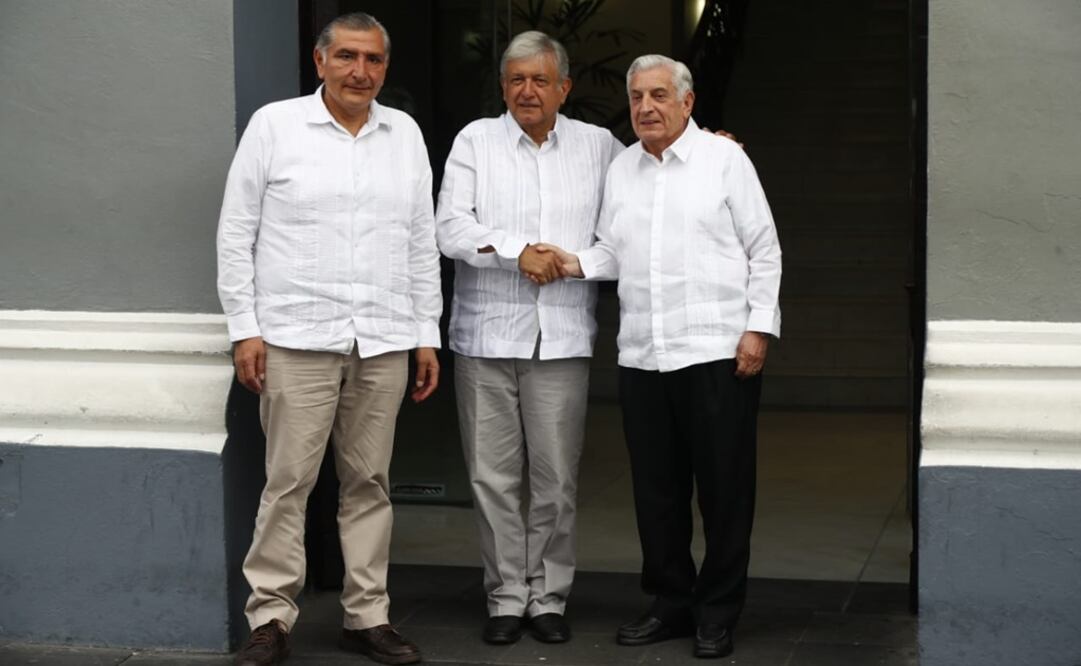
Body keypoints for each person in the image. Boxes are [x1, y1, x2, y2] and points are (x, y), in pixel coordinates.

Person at [216, 12, 441, 666]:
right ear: (320, 62)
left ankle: (365, 616)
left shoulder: (403, 135)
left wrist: (425, 333)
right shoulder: (275, 127)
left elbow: (420, 242)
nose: (359, 72)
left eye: (372, 60)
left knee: (369, 480)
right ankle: (271, 619)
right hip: (295, 336)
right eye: (346, 56)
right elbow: (237, 232)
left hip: (383, 336)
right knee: (288, 481)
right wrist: (245, 330)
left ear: (384, 68)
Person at [542, 54, 782, 659]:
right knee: (657, 492)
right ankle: (672, 601)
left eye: (658, 96)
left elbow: (765, 248)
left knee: (724, 491)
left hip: (716, 351)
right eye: (637, 98)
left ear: (687, 101)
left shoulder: (726, 160)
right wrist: (572, 263)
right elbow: (611, 252)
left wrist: (759, 329)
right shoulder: (622, 169)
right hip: (644, 355)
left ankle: (718, 610)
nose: (646, 108)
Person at [434, 30, 624, 646]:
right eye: (516, 79)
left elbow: (633, 224)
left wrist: (571, 263)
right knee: (492, 477)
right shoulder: (475, 141)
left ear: (564, 87)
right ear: (502, 87)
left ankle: (548, 596)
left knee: (555, 478)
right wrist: (517, 252)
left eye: (540, 80)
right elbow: (450, 228)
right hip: (485, 336)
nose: (527, 91)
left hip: (561, 337)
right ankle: (504, 596)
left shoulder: (601, 148)